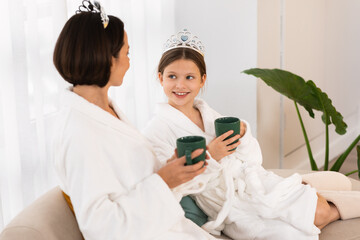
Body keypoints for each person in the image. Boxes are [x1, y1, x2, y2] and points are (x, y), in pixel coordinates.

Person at [143, 29, 360, 240]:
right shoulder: (156, 131)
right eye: (172, 76)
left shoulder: (209, 115)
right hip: (226, 204)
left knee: (318, 212)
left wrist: (244, 134)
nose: (180, 85)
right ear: (161, 78)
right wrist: (212, 155)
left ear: (202, 80)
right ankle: (339, 201)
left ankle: (324, 196)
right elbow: (172, 186)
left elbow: (254, 160)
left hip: (252, 181)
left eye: (189, 77)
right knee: (297, 231)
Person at [52, 2, 218, 239]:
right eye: (126, 53)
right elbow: (101, 227)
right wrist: (163, 181)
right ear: (107, 58)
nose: (129, 62)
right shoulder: (79, 132)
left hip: (163, 224)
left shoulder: (104, 110)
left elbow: (130, 176)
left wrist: (170, 170)